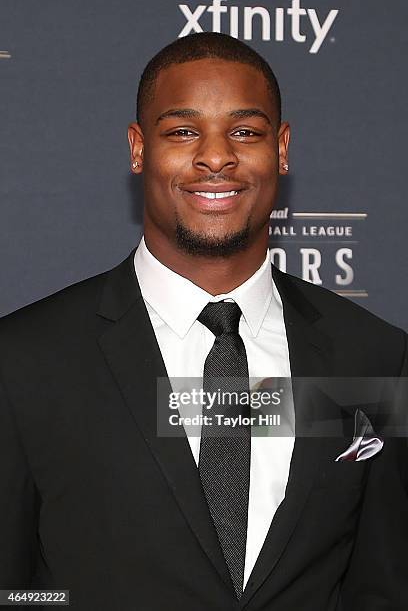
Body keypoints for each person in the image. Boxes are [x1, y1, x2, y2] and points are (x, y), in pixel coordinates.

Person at [0, 32, 407, 611]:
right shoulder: (24, 361)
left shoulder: (372, 356)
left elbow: (382, 588)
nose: (216, 157)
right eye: (183, 131)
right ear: (139, 149)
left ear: (282, 148)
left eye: (244, 131)